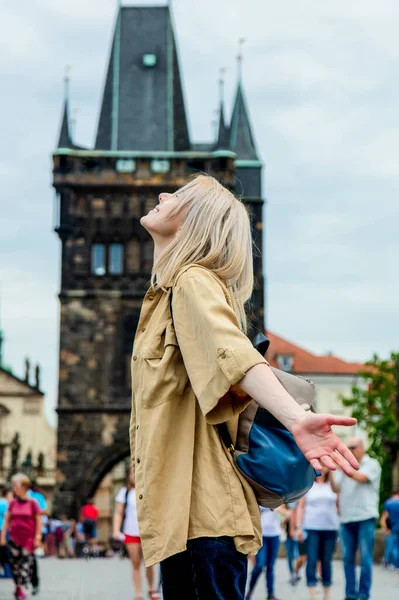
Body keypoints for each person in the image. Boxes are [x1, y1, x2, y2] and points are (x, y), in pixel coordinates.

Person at [131, 174, 359, 600]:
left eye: (177, 196)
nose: (163, 195)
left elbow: (234, 356)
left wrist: (296, 419)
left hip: (203, 520)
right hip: (188, 518)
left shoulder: (192, 281)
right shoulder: (167, 292)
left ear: (194, 221)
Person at [333, 437, 381, 600]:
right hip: (346, 518)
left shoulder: (372, 464)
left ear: (362, 448)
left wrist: (343, 466)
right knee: (347, 558)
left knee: (365, 557)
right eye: (347, 448)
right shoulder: (343, 469)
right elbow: (335, 488)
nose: (349, 451)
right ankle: (350, 594)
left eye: (352, 447)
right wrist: (331, 469)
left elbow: (361, 478)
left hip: (365, 517)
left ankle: (364, 594)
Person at [113, 471, 160, 600]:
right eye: (131, 474)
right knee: (135, 563)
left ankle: (151, 589)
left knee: (150, 562)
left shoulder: (149, 489)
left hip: (147, 532)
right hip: (131, 532)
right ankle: (138, 593)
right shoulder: (125, 492)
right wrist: (116, 530)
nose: (134, 476)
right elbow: (118, 513)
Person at [296, 468, 339, 600]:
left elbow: (339, 505)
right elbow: (301, 506)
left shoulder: (333, 486)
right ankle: (313, 594)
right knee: (312, 560)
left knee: (326, 561)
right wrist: (298, 527)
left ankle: (327, 593)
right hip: (311, 527)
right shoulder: (308, 484)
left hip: (330, 528)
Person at [0, 474, 41, 600]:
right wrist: (2, 536)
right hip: (14, 538)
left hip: (28, 539)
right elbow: (7, 520)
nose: (13, 488)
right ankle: (18, 585)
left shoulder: (33, 503)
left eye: (15, 485)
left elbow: (38, 520)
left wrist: (37, 537)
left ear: (24, 486)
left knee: (25, 564)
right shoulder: (12, 503)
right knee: (14, 565)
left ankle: (22, 587)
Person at [245, 507, 283, 600]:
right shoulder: (260, 494)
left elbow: (283, 518)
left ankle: (271, 594)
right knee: (259, 565)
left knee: (270, 566)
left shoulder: (277, 495)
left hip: (275, 535)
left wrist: (281, 513)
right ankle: (250, 591)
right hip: (261, 535)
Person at [27, 481, 48, 594]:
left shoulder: (34, 497)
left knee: (29, 557)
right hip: (20, 532)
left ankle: (31, 582)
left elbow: (41, 513)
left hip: (31, 529)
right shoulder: (16, 498)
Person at [380, 488, 399, 569]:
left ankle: (393, 563)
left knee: (393, 546)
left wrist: (386, 529)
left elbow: (383, 519)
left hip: (394, 528)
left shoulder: (389, 502)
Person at [0, 487, 12, 579]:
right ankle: (8, 572)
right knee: (5, 552)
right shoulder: (4, 503)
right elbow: (7, 517)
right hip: (3, 530)